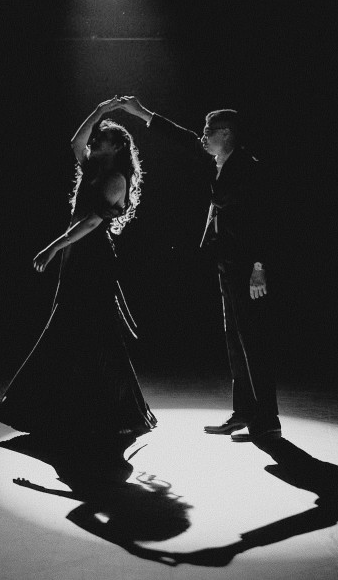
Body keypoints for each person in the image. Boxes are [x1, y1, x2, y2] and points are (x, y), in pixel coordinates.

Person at [113, 96, 281, 441]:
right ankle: (244, 412)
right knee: (235, 341)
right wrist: (142, 113)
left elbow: (263, 221)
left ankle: (267, 421)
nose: (203, 136)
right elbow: (183, 137)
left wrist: (258, 267)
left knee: (253, 342)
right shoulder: (217, 162)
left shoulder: (247, 167)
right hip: (227, 262)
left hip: (247, 266)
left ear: (226, 133)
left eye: (208, 131)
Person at [0, 98, 157, 445]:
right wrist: (100, 111)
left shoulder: (115, 179)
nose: (94, 140)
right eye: (96, 136)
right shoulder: (92, 169)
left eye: (103, 136)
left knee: (96, 333)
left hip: (93, 258)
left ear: (118, 146)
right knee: (71, 330)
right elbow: (75, 142)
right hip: (78, 254)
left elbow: (92, 222)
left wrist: (54, 247)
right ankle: (68, 412)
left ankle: (119, 413)